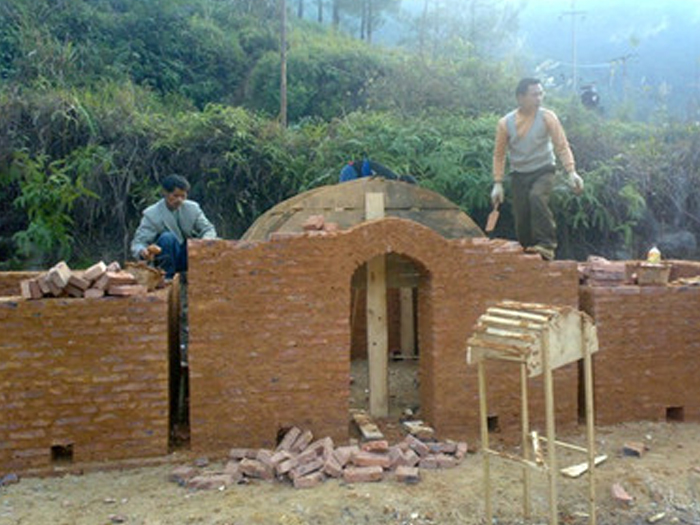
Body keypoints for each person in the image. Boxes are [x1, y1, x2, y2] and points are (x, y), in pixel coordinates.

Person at [490, 78, 584, 261]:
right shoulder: (505, 123)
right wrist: (498, 183)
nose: (539, 98)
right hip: (519, 174)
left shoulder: (548, 117)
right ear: (520, 97)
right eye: (534, 95)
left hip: (544, 170)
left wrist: (571, 171)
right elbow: (499, 155)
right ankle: (528, 251)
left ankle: (547, 245)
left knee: (537, 197)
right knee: (522, 216)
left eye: (541, 94)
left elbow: (562, 145)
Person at [130, 174, 217, 278]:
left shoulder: (193, 208)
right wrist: (142, 251)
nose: (179, 200)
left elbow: (208, 229)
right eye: (175, 196)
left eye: (183, 196)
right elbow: (139, 243)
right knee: (167, 238)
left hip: (188, 254)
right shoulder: (152, 214)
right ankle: (167, 279)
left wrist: (204, 242)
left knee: (211, 243)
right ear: (165, 193)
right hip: (165, 257)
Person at [340, 156, 417, 184]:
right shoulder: (390, 177)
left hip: (352, 170)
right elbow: (367, 166)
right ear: (403, 182)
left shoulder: (392, 177)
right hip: (351, 171)